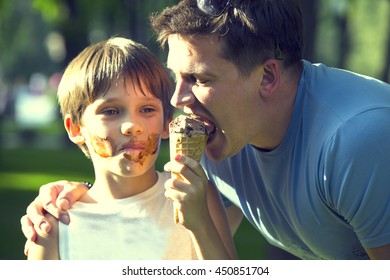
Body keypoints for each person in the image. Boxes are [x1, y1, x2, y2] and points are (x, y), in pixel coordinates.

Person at [21, 0, 390, 259]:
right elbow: (188, 247)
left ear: (267, 77)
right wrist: (80, 199)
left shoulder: (357, 141)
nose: (178, 99)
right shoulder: (221, 139)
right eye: (175, 77)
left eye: (198, 78)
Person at [25, 36, 236, 260]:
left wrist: (200, 223)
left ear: (168, 124)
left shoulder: (197, 195)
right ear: (76, 129)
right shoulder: (53, 225)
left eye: (146, 109)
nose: (132, 126)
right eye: (111, 111)